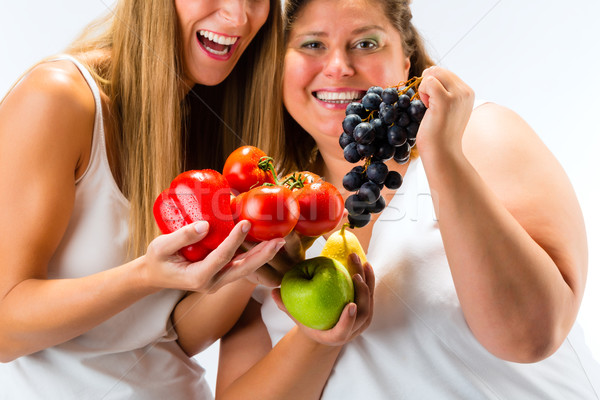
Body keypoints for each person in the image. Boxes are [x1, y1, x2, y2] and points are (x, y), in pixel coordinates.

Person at [217, 0, 600, 398]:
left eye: (366, 43)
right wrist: (320, 336)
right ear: (280, 67)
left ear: (406, 61)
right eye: (312, 44)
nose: (337, 67)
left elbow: (531, 337)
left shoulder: (479, 136)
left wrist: (443, 156)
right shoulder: (267, 217)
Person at [0, 1, 289, 398]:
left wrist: (246, 260)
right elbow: (4, 330)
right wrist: (143, 276)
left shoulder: (216, 119)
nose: (239, 17)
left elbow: (179, 337)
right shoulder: (59, 97)